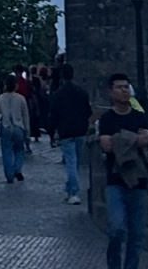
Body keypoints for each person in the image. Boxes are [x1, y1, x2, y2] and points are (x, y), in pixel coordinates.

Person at [98, 72, 148, 269]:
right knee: (117, 228)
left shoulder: (139, 116)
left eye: (126, 86)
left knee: (137, 234)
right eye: (119, 87)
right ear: (111, 92)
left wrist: (120, 139)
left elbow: (147, 139)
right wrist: (133, 140)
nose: (124, 90)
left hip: (139, 180)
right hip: (115, 179)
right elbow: (105, 144)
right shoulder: (107, 119)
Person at [50, 60, 92, 205]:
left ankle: (73, 192)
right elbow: (88, 111)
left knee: (71, 162)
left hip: (66, 131)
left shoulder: (58, 94)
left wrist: (53, 131)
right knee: (75, 162)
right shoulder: (82, 92)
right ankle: (70, 190)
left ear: (62, 76)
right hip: (80, 130)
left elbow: (53, 115)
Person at [0, 72, 30, 183]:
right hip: (18, 126)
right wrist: (27, 131)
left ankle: (9, 175)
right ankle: (17, 168)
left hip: (6, 126)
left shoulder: (0, 99)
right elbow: (25, 116)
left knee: (6, 151)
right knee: (19, 150)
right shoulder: (21, 99)